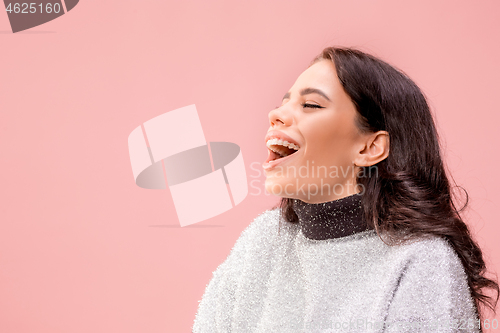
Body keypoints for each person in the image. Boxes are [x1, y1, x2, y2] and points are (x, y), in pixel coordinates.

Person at [192, 47, 499, 332]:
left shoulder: (422, 262)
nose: (276, 115)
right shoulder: (261, 241)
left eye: (310, 104)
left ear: (370, 147)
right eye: (283, 103)